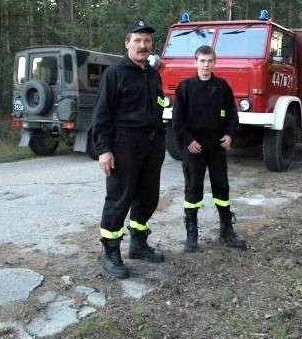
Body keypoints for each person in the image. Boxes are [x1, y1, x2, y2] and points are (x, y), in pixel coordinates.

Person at [92, 20, 167, 279]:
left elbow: (159, 107)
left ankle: (138, 243)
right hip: (124, 143)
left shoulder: (153, 74)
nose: (143, 45)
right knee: (119, 199)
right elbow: (102, 114)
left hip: (151, 144)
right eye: (137, 40)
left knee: (148, 197)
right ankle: (111, 252)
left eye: (147, 41)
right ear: (127, 43)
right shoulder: (115, 73)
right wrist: (104, 149)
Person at [172, 45, 247, 252]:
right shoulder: (185, 87)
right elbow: (177, 120)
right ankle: (191, 234)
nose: (206, 65)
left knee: (221, 187)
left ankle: (226, 230)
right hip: (194, 147)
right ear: (195, 62)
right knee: (193, 187)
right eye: (202, 61)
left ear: (215, 62)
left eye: (209, 61)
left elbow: (233, 115)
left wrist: (230, 134)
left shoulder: (222, 86)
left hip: (216, 146)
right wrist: (188, 140)